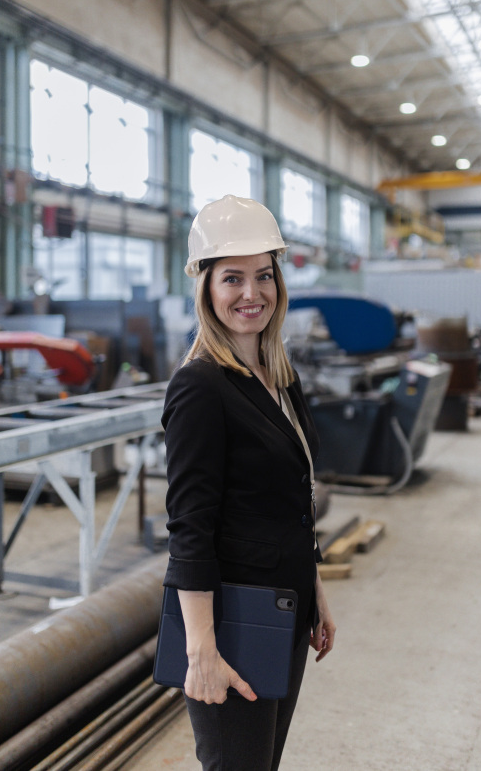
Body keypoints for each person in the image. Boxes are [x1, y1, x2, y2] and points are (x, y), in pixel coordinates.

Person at [161, 194, 336, 771]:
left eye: (264, 275)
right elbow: (190, 529)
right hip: (233, 622)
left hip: (284, 608)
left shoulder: (279, 377)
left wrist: (314, 587)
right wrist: (201, 651)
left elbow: (290, 503)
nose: (251, 293)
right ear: (206, 287)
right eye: (232, 278)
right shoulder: (200, 387)